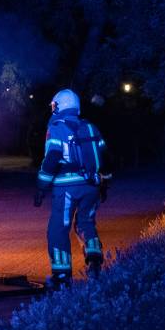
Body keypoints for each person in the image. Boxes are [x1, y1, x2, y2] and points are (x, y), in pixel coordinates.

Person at [33, 88, 110, 289]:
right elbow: (105, 157)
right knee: (86, 223)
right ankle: (94, 260)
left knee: (59, 228)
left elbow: (52, 158)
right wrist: (104, 184)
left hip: (66, 188)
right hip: (92, 186)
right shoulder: (91, 127)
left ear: (59, 106)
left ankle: (61, 276)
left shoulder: (56, 128)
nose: (53, 109)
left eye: (54, 106)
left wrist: (41, 186)